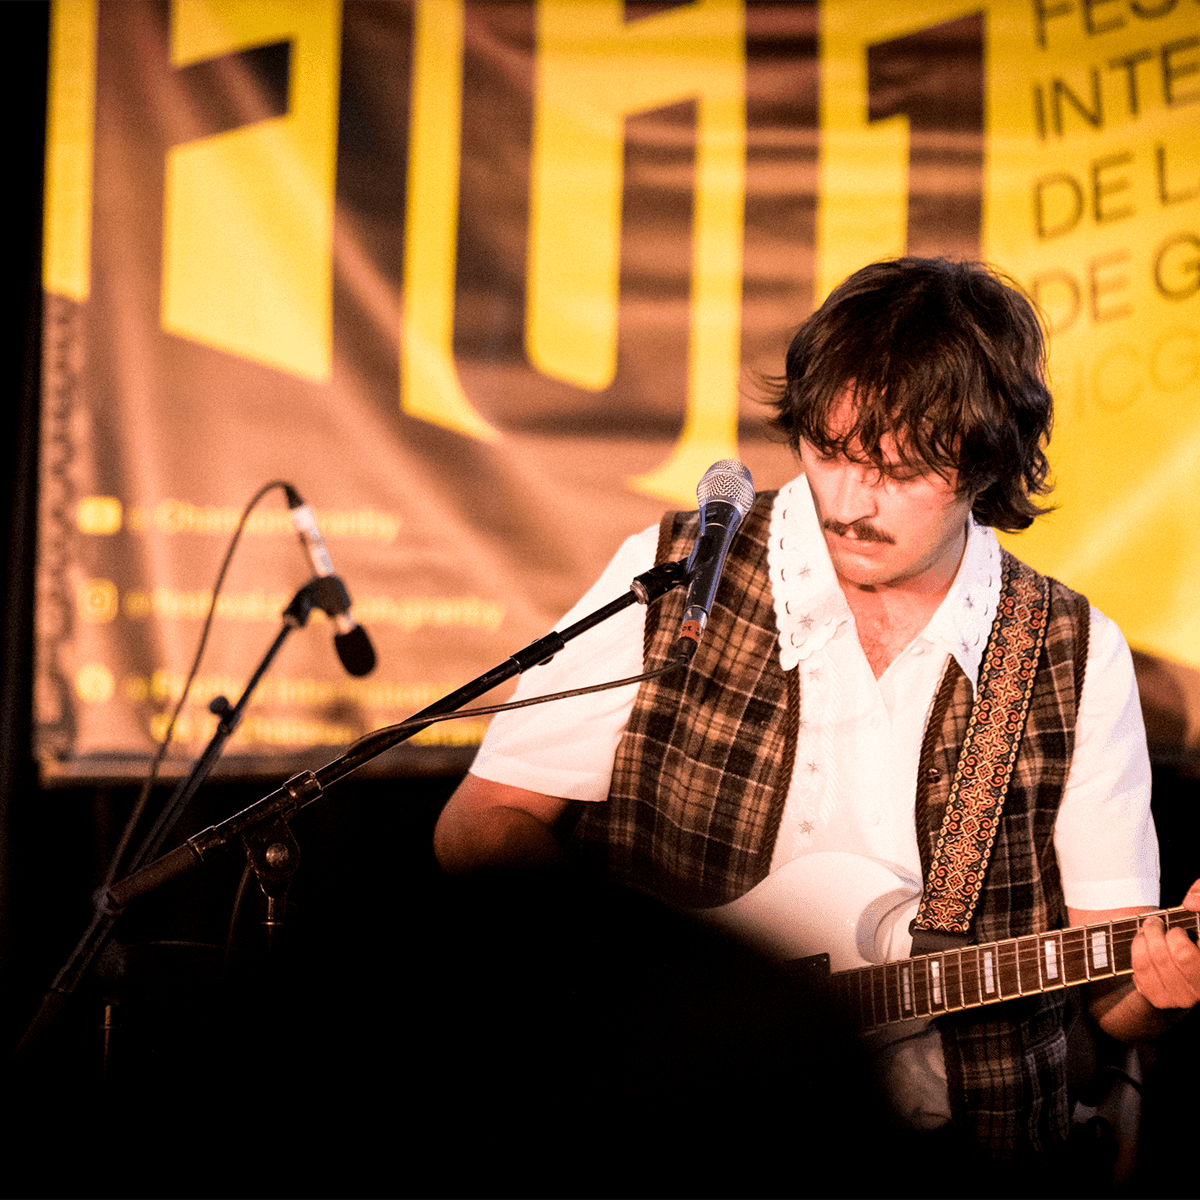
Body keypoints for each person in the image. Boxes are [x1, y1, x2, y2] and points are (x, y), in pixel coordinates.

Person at [434, 258, 1200, 1158]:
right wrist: (623, 974)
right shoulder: (685, 568)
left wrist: (1161, 982)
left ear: (986, 464)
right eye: (830, 452)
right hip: (660, 1109)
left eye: (901, 472)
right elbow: (480, 825)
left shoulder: (1071, 650)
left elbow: (1116, 998)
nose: (849, 504)